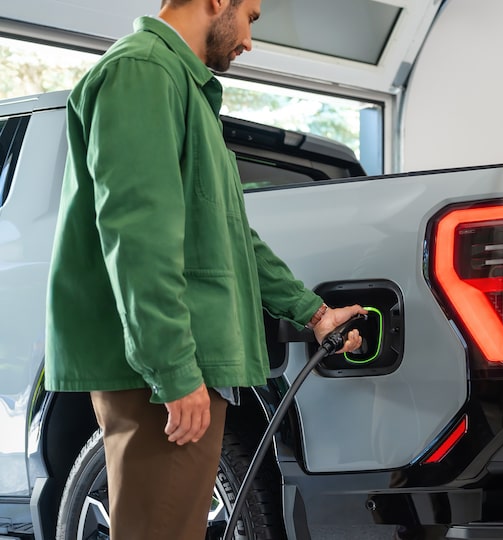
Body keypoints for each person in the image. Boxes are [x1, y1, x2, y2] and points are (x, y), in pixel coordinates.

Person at [44, 0, 365, 537]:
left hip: (181, 365)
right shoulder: (143, 72)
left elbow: (232, 237)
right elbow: (138, 236)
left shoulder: (178, 85)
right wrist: (173, 371)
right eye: (251, 17)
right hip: (159, 375)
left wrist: (313, 314)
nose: (248, 41)